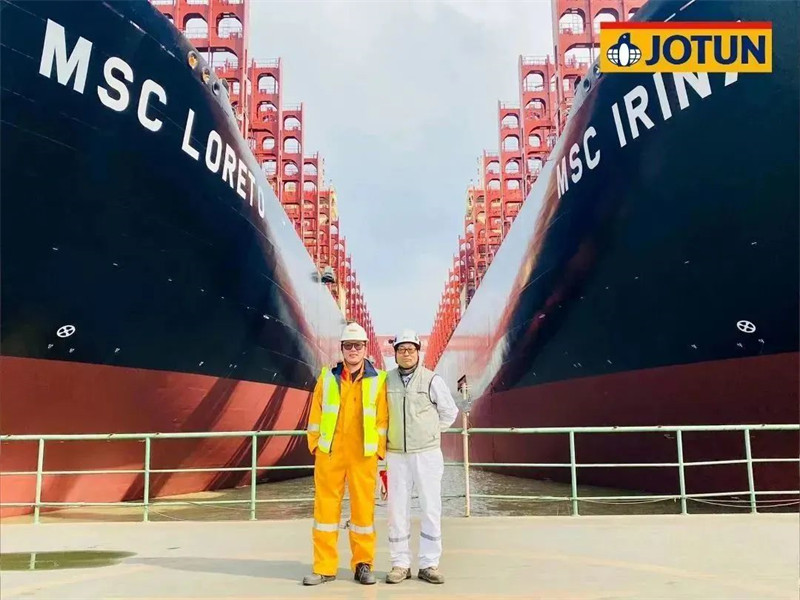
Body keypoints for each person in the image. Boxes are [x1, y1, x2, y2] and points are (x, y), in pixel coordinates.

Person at [302, 322, 388, 586]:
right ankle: (324, 568)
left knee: (363, 513)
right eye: (348, 345)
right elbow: (315, 413)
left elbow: (383, 419)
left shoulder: (379, 379)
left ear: (365, 348)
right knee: (325, 512)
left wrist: (378, 451)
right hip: (330, 453)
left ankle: (363, 565)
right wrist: (315, 445)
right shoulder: (327, 378)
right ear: (342, 349)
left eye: (358, 345)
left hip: (363, 455)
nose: (353, 350)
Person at [384, 329, 459, 585]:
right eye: (401, 349)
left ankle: (429, 564)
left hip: (427, 454)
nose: (406, 354)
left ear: (418, 352)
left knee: (430, 508)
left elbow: (449, 412)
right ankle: (400, 564)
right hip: (396, 454)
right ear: (395, 353)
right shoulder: (386, 381)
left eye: (411, 349)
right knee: (396, 510)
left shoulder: (432, 380)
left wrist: (430, 432)